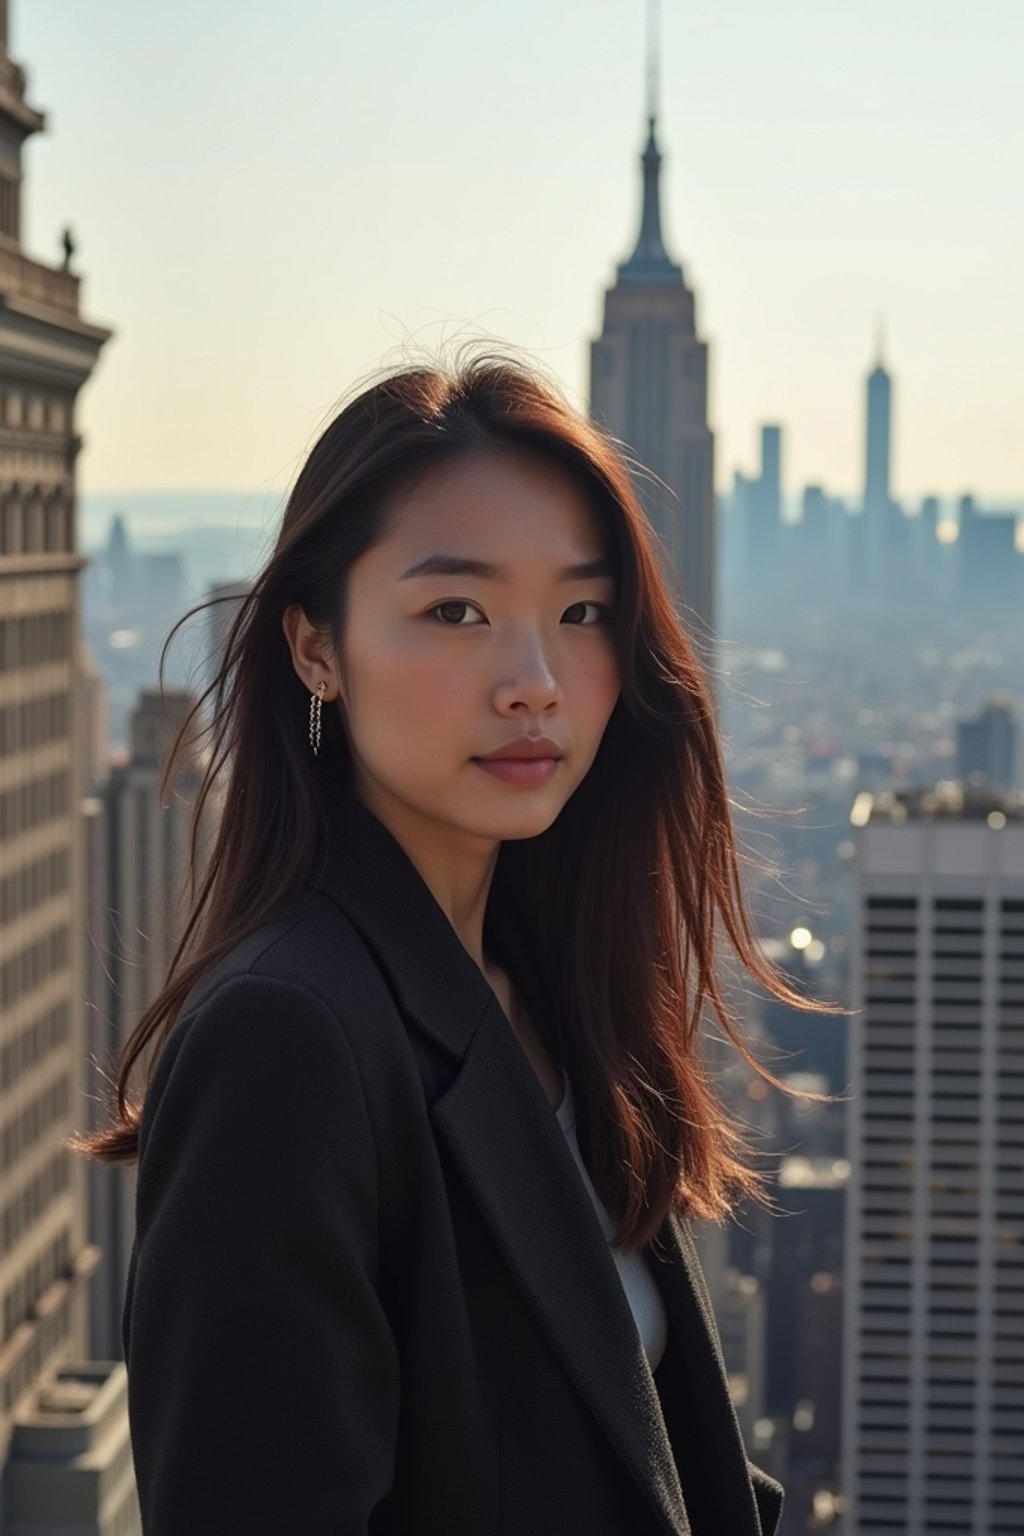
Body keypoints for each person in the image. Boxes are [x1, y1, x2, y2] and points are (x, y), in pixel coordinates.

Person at [73, 346, 835, 1535]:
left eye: (581, 613)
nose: (534, 680)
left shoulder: (550, 991)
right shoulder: (290, 1036)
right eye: (456, 611)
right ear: (315, 646)